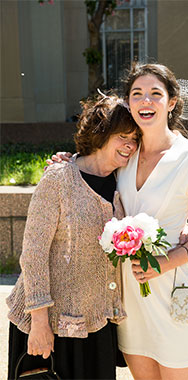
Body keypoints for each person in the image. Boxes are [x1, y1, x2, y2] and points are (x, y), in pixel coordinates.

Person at [6, 94, 138, 379]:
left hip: (97, 323)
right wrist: (40, 322)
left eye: (135, 139)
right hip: (49, 325)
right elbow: (33, 253)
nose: (130, 145)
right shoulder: (59, 178)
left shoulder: (124, 184)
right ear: (102, 133)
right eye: (123, 136)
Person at [116, 62, 188, 380]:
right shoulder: (124, 153)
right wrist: (65, 163)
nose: (145, 101)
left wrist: (165, 262)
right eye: (136, 94)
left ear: (172, 102)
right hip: (131, 293)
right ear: (128, 103)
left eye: (155, 94)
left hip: (174, 289)